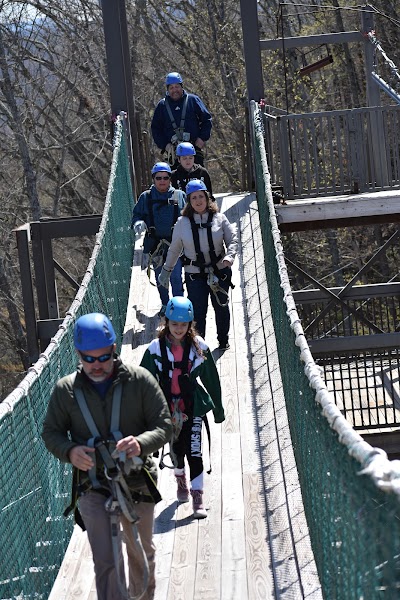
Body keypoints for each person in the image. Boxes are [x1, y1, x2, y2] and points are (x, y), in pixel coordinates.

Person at [42, 313, 172, 600]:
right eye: (89, 359)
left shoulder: (140, 382)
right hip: (93, 485)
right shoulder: (66, 391)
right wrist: (70, 451)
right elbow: (50, 432)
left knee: (140, 552)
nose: (97, 365)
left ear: (114, 350)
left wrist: (140, 442)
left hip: (136, 480)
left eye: (103, 357)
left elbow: (164, 426)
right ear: (79, 355)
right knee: (106, 561)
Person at [140, 297, 225, 519]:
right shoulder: (155, 350)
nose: (179, 329)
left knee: (194, 451)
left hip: (193, 407)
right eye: (174, 324)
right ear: (166, 322)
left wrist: (218, 410)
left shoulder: (200, 348)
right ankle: (181, 481)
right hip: (167, 409)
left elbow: (211, 379)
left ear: (190, 325)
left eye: (183, 325)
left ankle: (198, 497)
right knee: (177, 451)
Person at [159, 180, 237, 350]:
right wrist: (166, 270)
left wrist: (230, 257)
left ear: (207, 198)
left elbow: (233, 240)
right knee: (198, 312)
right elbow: (174, 250)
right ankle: (199, 345)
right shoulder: (182, 223)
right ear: (189, 201)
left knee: (221, 307)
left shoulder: (219, 218)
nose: (198, 201)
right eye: (194, 197)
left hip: (219, 271)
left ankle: (223, 340)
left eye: (201, 196)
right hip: (195, 274)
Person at [131, 161, 185, 317]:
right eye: (159, 178)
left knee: (175, 276)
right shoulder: (146, 197)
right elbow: (136, 215)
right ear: (153, 179)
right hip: (155, 245)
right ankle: (165, 304)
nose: (162, 181)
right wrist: (138, 223)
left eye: (166, 178)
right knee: (161, 277)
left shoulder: (179, 196)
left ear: (170, 179)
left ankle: (179, 304)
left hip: (175, 244)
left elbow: (188, 216)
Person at [151, 72, 212, 167]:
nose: (175, 90)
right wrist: (165, 145)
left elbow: (206, 119)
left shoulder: (193, 100)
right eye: (171, 88)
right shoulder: (162, 106)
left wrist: (202, 138)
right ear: (167, 90)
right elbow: (156, 129)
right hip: (174, 154)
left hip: (194, 151)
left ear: (182, 87)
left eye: (177, 87)